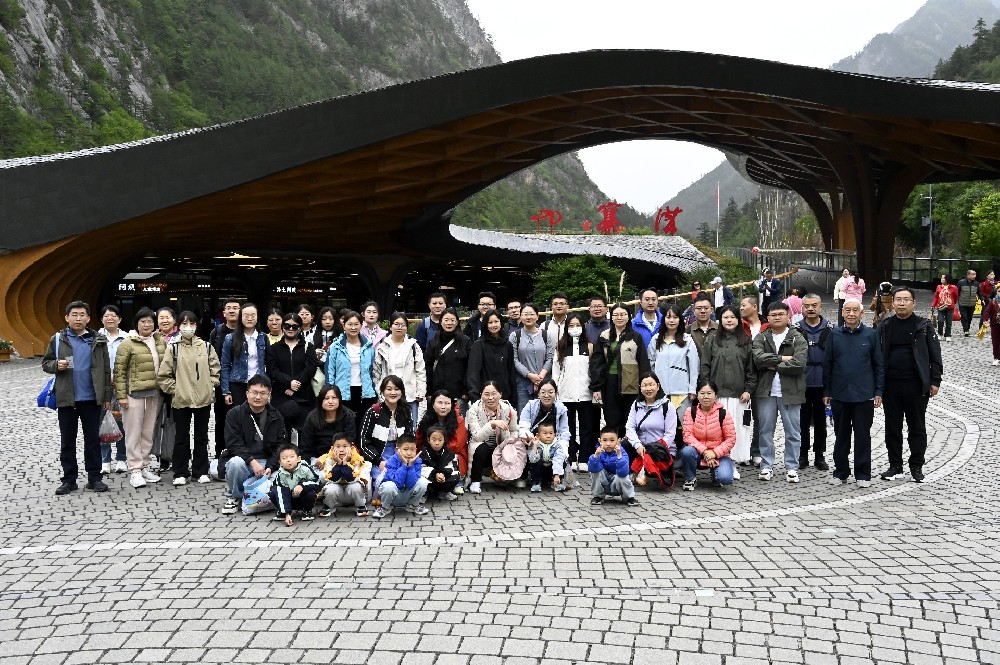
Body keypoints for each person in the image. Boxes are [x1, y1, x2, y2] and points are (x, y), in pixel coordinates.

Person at [43, 301, 113, 495]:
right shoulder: (58, 339)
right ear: (67, 317)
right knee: (67, 441)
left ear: (88, 318)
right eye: (74, 314)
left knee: (92, 440)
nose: (78, 318)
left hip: (91, 399)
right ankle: (69, 479)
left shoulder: (98, 340)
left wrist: (107, 395)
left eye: (82, 314)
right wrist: (57, 365)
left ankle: (94, 478)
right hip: (67, 398)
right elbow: (46, 363)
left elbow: (106, 370)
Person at [877, 287, 942, 483]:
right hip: (891, 385)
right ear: (893, 303)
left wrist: (935, 380)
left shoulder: (923, 325)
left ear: (914, 303)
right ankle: (895, 465)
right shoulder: (886, 325)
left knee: (917, 427)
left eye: (906, 300)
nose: (902, 303)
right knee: (892, 427)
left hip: (916, 385)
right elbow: (876, 354)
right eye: (898, 300)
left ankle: (916, 466)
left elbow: (935, 355)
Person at [824, 299, 884, 489]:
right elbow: (828, 366)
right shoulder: (834, 335)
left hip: (864, 395)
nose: (851, 314)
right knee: (841, 436)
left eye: (854, 311)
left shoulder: (871, 335)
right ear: (842, 313)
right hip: (839, 394)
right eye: (847, 310)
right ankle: (840, 471)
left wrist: (878, 391)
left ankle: (863, 473)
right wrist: (827, 391)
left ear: (862, 313)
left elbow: (879, 365)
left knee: (863, 436)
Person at [156, 310, 221, 485]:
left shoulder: (206, 346)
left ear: (197, 326)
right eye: (184, 324)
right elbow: (163, 375)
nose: (188, 327)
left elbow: (215, 369)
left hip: (203, 399)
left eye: (192, 324)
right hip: (181, 400)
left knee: (201, 436)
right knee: (181, 437)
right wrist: (176, 390)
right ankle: (180, 472)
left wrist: (211, 385)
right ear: (179, 326)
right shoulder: (173, 348)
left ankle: (200, 471)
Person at [752, 302, 807, 483]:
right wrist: (783, 359)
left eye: (780, 314)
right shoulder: (762, 337)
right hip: (766, 392)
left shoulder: (796, 337)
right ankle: (766, 465)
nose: (777, 317)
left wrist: (772, 365)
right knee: (765, 431)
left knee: (793, 432)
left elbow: (799, 363)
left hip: (791, 392)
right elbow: (758, 359)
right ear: (767, 318)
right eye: (773, 314)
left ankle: (791, 467)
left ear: (788, 316)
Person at [114, 307, 167, 489]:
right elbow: (119, 372)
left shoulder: (159, 341)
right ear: (136, 323)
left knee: (148, 432)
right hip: (133, 395)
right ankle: (135, 469)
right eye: (143, 321)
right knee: (133, 433)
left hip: (154, 393)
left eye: (150, 321)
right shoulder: (128, 343)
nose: (147, 324)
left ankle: (144, 465)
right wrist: (121, 396)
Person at [220, 375, 288, 515]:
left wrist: (271, 465)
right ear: (247, 393)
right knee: (234, 464)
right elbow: (233, 444)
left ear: (269, 395)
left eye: (262, 393)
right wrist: (251, 461)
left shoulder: (276, 416)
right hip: (245, 462)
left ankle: (264, 498)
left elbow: (280, 446)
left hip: (267, 462)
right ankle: (235, 496)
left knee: (284, 475)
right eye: (254, 392)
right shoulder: (234, 414)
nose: (258, 397)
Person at [700, 306, 755, 471]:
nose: (729, 320)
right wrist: (708, 392)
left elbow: (751, 369)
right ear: (720, 320)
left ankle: (733, 463)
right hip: (717, 396)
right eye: (725, 317)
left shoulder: (746, 341)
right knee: (718, 431)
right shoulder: (712, 340)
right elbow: (705, 366)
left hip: (739, 395)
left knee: (737, 430)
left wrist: (749, 389)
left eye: (732, 317)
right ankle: (720, 464)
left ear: (738, 320)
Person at [590, 303, 650, 437]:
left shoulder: (636, 336)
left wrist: (644, 384)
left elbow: (643, 362)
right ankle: (614, 450)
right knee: (611, 418)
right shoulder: (604, 336)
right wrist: (596, 387)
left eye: (623, 314)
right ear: (610, 317)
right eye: (615, 315)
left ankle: (628, 450)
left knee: (630, 419)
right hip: (609, 383)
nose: (619, 317)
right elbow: (596, 363)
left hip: (631, 383)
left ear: (629, 317)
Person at [552, 313, 595, 473]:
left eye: (578, 325)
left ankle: (584, 458)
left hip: (585, 393)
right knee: (567, 428)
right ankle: (570, 457)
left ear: (583, 327)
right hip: (565, 393)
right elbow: (556, 371)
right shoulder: (561, 346)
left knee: (586, 427)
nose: (574, 328)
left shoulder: (589, 346)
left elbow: (593, 369)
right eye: (571, 325)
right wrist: (556, 388)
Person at [795, 294, 833, 471]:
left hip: (823, 385)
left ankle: (820, 455)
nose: (810, 309)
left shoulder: (831, 329)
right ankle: (802, 455)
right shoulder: (795, 329)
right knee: (801, 423)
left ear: (820, 307)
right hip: (801, 384)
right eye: (807, 306)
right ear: (802, 308)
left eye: (814, 305)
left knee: (820, 423)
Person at [325, 309, 376, 440]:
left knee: (363, 424)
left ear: (361, 325)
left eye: (356, 324)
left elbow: (372, 370)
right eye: (350, 324)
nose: (353, 327)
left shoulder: (368, 346)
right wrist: (330, 391)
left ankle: (361, 453)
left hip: (364, 391)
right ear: (343, 325)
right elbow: (330, 370)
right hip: (343, 391)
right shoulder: (336, 346)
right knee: (344, 424)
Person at [265, 312, 318, 435]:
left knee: (305, 429)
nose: (290, 329)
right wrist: (289, 382)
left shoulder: (307, 346)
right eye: (287, 325)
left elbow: (310, 368)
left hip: (304, 393)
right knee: (282, 429)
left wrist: (295, 385)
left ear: (300, 328)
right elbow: (272, 370)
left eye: (294, 326)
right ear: (282, 326)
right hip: (281, 393)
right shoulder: (274, 348)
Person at [360, 375, 415, 494]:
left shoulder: (406, 411)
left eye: (396, 389)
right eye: (389, 389)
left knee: (408, 480)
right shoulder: (373, 412)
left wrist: (405, 457)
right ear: (383, 392)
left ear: (402, 391)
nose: (393, 392)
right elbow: (363, 442)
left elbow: (410, 439)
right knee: (383, 483)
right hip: (378, 455)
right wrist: (378, 461)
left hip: (400, 454)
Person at [648, 304, 699, 429]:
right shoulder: (655, 340)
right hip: (661, 392)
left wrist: (692, 389)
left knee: (685, 426)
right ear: (663, 319)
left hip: (682, 391)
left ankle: (686, 449)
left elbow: (694, 365)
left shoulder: (687, 339)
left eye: (675, 317)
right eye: (668, 317)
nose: (671, 320)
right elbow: (650, 363)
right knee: (661, 426)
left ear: (680, 320)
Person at [680, 379, 737, 491]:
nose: (705, 396)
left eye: (709, 393)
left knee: (725, 478)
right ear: (697, 395)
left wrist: (714, 453)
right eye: (702, 393)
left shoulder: (723, 413)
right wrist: (706, 452)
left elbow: (731, 439)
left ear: (715, 396)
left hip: (719, 454)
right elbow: (687, 435)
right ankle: (691, 478)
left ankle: (715, 474)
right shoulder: (690, 412)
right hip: (698, 452)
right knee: (686, 451)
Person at [623, 373, 677, 487]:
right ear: (640, 387)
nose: (648, 388)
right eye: (644, 385)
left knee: (650, 472)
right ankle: (630, 472)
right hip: (641, 447)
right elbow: (630, 427)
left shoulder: (668, 406)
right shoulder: (636, 404)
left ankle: (644, 471)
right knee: (624, 445)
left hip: (660, 449)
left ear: (658, 386)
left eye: (651, 385)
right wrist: (637, 445)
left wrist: (654, 449)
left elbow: (670, 434)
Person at [466, 381, 519, 494]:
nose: (490, 398)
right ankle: (475, 481)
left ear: (500, 394)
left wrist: (510, 442)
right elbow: (477, 436)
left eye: (494, 394)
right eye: (486, 394)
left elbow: (514, 430)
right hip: (482, 447)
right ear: (481, 394)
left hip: (500, 447)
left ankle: (513, 477)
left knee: (514, 446)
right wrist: (492, 424)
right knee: (481, 448)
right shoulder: (473, 410)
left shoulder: (509, 410)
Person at [373, 312, 426, 425]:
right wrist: (380, 390)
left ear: (407, 327)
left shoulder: (413, 346)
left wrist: (420, 392)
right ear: (390, 326)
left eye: (403, 325)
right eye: (396, 324)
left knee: (410, 428)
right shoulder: (382, 347)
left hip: (409, 394)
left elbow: (420, 371)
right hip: (388, 394)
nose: (399, 327)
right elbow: (376, 372)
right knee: (388, 428)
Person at [518, 378, 571, 491]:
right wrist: (527, 437)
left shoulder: (561, 409)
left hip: (553, 445)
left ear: (556, 393)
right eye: (543, 392)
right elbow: (523, 425)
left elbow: (564, 432)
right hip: (534, 443)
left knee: (563, 457)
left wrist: (562, 451)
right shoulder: (530, 406)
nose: (546, 395)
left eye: (550, 392)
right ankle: (524, 477)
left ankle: (555, 478)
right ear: (538, 393)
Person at [209, 298, 241, 469]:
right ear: (224, 312)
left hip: (242, 384)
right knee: (221, 420)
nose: (232, 311)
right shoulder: (217, 332)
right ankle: (220, 453)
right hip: (222, 382)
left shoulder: (248, 332)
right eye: (228, 308)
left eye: (235, 308)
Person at [97, 304, 128, 474]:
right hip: (102, 389)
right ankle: (105, 460)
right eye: (106, 316)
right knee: (102, 423)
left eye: (113, 315)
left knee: (121, 423)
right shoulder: (95, 338)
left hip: (122, 388)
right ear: (101, 319)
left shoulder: (128, 338)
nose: (110, 318)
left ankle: (122, 458)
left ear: (120, 319)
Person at [424, 308, 471, 412]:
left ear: (457, 322)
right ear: (441, 322)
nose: (449, 323)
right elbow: (427, 366)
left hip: (458, 393)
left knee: (458, 423)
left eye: (452, 320)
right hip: (437, 392)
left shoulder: (465, 341)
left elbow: (470, 368)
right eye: (446, 320)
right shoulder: (434, 341)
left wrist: (466, 391)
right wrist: (429, 392)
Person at [221, 303, 267, 408]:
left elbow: (268, 363)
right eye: (246, 315)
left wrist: (268, 388)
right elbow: (225, 365)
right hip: (237, 383)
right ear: (240, 317)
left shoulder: (263, 337)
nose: (249, 318)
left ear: (257, 317)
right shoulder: (230, 338)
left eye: (253, 315)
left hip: (258, 383)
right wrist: (226, 391)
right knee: (240, 416)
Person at [416, 390, 469, 483]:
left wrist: (436, 451)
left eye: (447, 403)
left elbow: (457, 445)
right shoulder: (425, 420)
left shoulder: (459, 420)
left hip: (450, 454)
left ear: (452, 405)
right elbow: (418, 442)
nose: (443, 407)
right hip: (429, 455)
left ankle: (456, 481)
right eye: (440, 403)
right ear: (432, 404)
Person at [372, 434, 429, 518]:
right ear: (397, 450)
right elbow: (397, 482)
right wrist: (404, 465)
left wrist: (410, 466)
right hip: (394, 495)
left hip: (408, 493)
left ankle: (413, 505)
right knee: (388, 486)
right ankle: (385, 508)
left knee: (423, 482)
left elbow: (411, 483)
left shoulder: (417, 461)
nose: (409, 453)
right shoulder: (391, 461)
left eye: (412, 449)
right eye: (405, 449)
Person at [509, 303, 553, 414]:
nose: (528, 317)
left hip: (544, 382)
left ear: (537, 316)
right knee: (524, 414)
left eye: (532, 314)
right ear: (521, 316)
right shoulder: (515, 336)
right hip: (523, 382)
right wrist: (529, 375)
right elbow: (514, 359)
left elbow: (550, 357)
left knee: (544, 414)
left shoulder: (546, 335)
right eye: (525, 314)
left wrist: (540, 377)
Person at [316, 432, 371, 518]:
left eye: (345, 446)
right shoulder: (329, 460)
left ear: (351, 448)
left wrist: (345, 464)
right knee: (330, 487)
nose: (341, 450)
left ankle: (361, 506)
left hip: (354, 496)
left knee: (356, 486)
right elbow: (331, 479)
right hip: (338, 498)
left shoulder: (359, 461)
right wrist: (338, 463)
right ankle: (329, 506)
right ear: (333, 448)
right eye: (338, 447)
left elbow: (353, 478)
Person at [466, 309, 516, 403]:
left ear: (501, 323)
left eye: (496, 321)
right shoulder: (479, 345)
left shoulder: (507, 344)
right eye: (490, 322)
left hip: (504, 396)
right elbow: (473, 373)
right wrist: (474, 397)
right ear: (486, 324)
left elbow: (511, 372)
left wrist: (513, 398)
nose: (494, 325)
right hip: (485, 397)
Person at [299, 384, 357, 461]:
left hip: (343, 457)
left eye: (334, 398)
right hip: (317, 459)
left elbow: (350, 442)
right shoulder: (312, 417)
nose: (330, 401)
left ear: (339, 399)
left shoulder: (348, 416)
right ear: (321, 401)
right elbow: (305, 446)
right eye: (326, 398)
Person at [269, 443, 322, 525]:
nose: (288, 460)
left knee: (310, 494)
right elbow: (281, 493)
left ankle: (307, 510)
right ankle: (283, 511)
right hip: (288, 499)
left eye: (292, 457)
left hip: (302, 498)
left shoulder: (305, 469)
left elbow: (317, 482)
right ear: (280, 462)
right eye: (284, 458)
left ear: (298, 458)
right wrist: (287, 514)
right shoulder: (280, 474)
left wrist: (302, 485)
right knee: (273, 493)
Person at [588, 425, 637, 506]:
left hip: (617, 484)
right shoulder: (598, 452)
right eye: (605, 440)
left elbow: (624, 472)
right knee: (595, 471)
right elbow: (592, 469)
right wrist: (596, 456)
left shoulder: (622, 453)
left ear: (618, 441)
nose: (608, 444)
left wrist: (619, 456)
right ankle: (598, 496)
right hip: (605, 483)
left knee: (622, 476)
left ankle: (629, 497)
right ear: (600, 441)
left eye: (612, 440)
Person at [420, 424, 461, 500]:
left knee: (456, 475)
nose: (437, 443)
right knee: (420, 479)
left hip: (443, 478)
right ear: (428, 440)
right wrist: (435, 474)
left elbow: (453, 466)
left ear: (444, 440)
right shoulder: (423, 453)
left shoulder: (449, 453)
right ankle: (424, 494)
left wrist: (443, 473)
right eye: (434, 439)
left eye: (440, 440)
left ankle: (444, 493)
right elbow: (421, 468)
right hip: (430, 478)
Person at [526, 421, 565, 493]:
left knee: (564, 461)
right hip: (540, 470)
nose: (548, 436)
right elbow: (532, 460)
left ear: (555, 434)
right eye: (545, 433)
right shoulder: (535, 443)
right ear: (538, 435)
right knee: (537, 462)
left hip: (552, 470)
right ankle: (536, 483)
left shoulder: (557, 445)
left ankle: (557, 482)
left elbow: (558, 460)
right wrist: (535, 446)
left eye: (551, 433)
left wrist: (556, 475)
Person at [689, 294, 718, 359]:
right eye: (699, 308)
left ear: (711, 310)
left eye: (706, 308)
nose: (702, 311)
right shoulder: (687, 330)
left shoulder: (720, 329)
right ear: (693, 310)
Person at [931, 274, 958, 341]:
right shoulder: (939, 287)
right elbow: (936, 297)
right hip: (940, 307)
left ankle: (948, 335)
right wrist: (933, 305)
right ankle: (940, 334)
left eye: (943, 278)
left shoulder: (953, 287)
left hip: (950, 308)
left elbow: (956, 297)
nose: (941, 279)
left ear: (947, 279)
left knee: (949, 322)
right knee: (940, 321)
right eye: (942, 278)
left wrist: (952, 304)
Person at [956, 269, 980, 336]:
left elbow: (979, 293)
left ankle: (967, 328)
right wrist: (954, 300)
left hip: (972, 304)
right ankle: (965, 330)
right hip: (963, 303)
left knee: (969, 317)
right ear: (968, 275)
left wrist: (982, 299)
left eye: (975, 274)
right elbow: (956, 292)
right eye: (973, 274)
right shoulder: (961, 282)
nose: (974, 276)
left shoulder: (976, 283)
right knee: (964, 317)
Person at [984, 292, 1000, 366]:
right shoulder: (993, 301)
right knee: (995, 342)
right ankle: (996, 358)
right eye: (999, 291)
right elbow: (987, 311)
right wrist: (985, 320)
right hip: (995, 324)